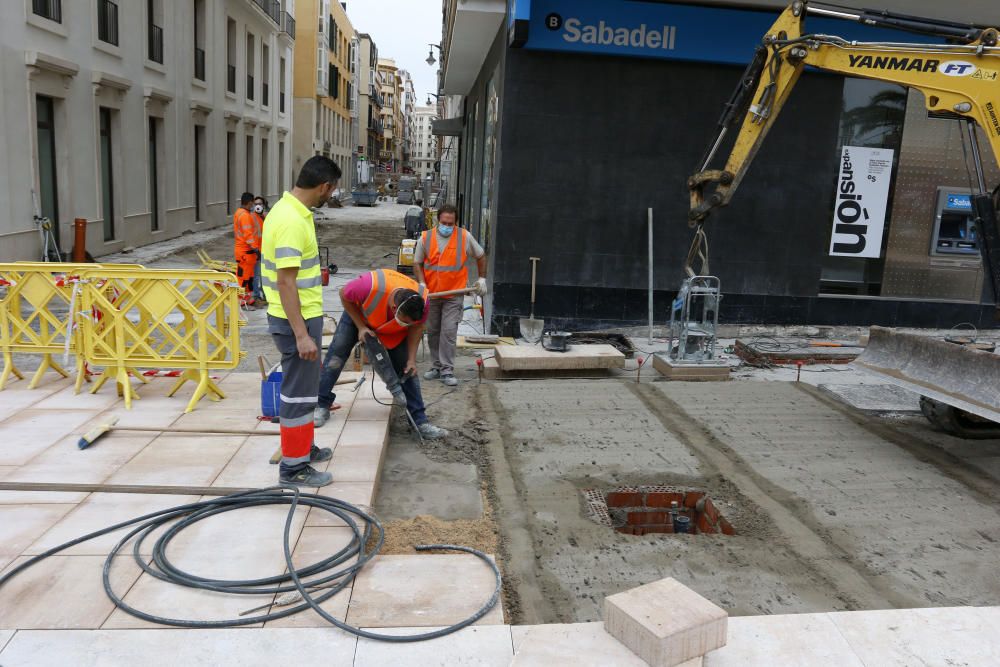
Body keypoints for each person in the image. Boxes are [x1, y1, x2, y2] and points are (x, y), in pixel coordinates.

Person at [260, 156, 341, 487]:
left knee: (306, 391)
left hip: (300, 318)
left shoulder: (288, 211)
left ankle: (303, 448)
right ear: (323, 186)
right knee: (297, 393)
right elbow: (286, 282)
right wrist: (302, 335)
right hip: (296, 322)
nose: (331, 195)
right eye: (332, 190)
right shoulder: (292, 221)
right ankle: (293, 468)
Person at [313, 269, 449, 440]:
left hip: (392, 328)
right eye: (405, 320)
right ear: (394, 308)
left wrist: (412, 359)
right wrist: (361, 327)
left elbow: (415, 328)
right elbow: (343, 294)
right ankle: (321, 404)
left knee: (407, 369)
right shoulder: (368, 287)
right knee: (336, 356)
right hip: (359, 315)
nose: (408, 324)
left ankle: (420, 422)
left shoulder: (422, 302)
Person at [413, 204, 487, 386]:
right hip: (433, 294)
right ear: (438, 219)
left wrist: (482, 278)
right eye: (444, 222)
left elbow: (480, 255)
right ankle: (436, 366)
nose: (446, 225)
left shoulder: (464, 236)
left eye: (450, 222)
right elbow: (417, 263)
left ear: (455, 222)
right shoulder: (426, 237)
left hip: (454, 293)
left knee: (448, 331)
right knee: (433, 331)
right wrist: (422, 283)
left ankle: (447, 370)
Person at [233, 192, 260, 307]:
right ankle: (241, 299)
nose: (253, 206)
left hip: (244, 252)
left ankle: (247, 298)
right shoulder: (244, 216)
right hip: (246, 252)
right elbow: (248, 235)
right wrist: (256, 249)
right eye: (253, 203)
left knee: (247, 278)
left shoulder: (239, 213)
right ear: (249, 203)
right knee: (244, 278)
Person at [251, 196, 269, 305]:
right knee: (256, 276)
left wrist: (264, 216)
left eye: (260, 204)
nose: (258, 206)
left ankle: (265, 296)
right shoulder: (252, 217)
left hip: (265, 250)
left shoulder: (265, 217)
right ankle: (256, 297)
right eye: (256, 204)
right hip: (256, 251)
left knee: (265, 275)